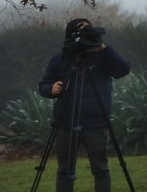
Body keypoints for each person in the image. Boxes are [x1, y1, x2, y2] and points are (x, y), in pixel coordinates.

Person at [38, 18, 131, 192]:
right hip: (65, 123)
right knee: (64, 170)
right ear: (70, 36)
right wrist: (51, 88)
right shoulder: (60, 60)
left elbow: (123, 70)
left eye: (89, 31)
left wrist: (103, 48)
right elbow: (43, 85)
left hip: (96, 123)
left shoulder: (101, 57)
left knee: (101, 169)